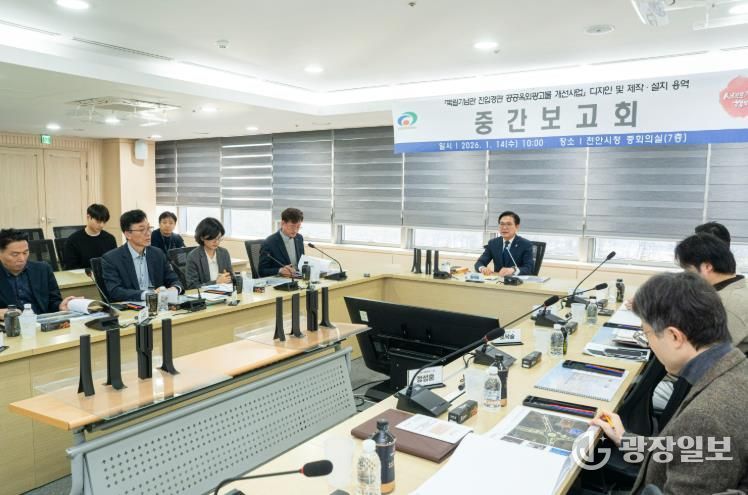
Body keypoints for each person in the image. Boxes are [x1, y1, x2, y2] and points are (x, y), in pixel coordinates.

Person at [591, 272, 748, 494]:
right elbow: (685, 449)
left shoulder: (705, 418)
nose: (649, 344)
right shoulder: (733, 367)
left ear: (675, 336)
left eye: (647, 334)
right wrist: (626, 440)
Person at [675, 233, 748, 353]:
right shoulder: (738, 287)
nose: (686, 275)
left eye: (688, 269)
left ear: (707, 267)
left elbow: (703, 355)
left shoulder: (727, 306)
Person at [101, 209, 182, 301]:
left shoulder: (158, 254)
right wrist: (146, 295)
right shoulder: (111, 259)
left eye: (149, 228)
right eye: (142, 230)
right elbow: (115, 291)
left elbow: (174, 279)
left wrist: (175, 288)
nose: (148, 233)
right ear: (128, 234)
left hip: (159, 305)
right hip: (131, 306)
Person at [0, 229, 77, 318]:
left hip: (42, 322)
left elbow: (53, 301)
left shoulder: (42, 269)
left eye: (25, 252)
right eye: (15, 254)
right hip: (10, 324)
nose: (22, 259)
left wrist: (60, 306)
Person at [474, 211, 534, 276]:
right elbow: (479, 263)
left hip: (516, 280)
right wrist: (482, 268)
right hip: (498, 280)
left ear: (517, 226)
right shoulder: (493, 243)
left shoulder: (526, 244)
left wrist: (513, 270)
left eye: (509, 224)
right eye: (502, 224)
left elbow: (529, 268)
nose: (504, 227)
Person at [62, 203, 118, 270]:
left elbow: (114, 262)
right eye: (98, 221)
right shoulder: (73, 240)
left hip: (106, 274)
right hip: (83, 275)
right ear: (88, 217)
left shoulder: (110, 239)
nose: (102, 225)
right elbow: (71, 266)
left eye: (104, 222)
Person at [185, 217, 232, 289]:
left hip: (224, 292)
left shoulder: (224, 253)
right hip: (204, 295)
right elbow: (192, 287)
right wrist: (216, 282)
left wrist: (230, 278)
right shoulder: (193, 257)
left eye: (219, 238)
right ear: (202, 238)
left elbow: (230, 276)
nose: (216, 242)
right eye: (212, 238)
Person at [258, 207, 305, 278]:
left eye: (298, 227)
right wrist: (279, 270)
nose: (295, 230)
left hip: (298, 278)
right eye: (292, 226)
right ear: (283, 223)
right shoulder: (269, 243)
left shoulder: (299, 238)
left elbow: (302, 262)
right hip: (280, 281)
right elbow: (261, 271)